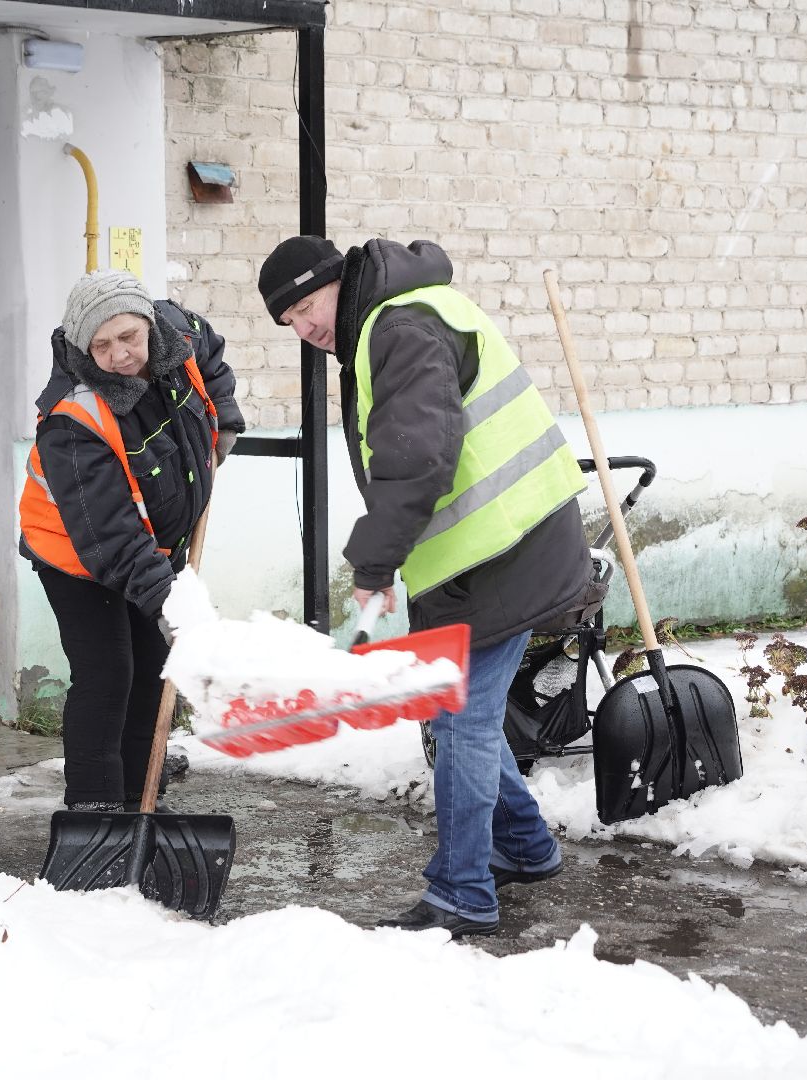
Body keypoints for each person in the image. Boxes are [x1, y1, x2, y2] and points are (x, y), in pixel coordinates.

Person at [257, 235, 603, 937]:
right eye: (287, 321)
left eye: (305, 306)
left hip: (511, 548)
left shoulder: (401, 326)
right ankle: (527, 848)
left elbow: (418, 458)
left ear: (338, 279)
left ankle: (461, 895)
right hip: (481, 553)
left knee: (464, 716)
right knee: (455, 714)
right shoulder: (389, 321)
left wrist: (375, 564)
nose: (303, 327)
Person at [20, 269, 244, 812]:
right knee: (108, 673)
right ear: (82, 346)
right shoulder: (72, 421)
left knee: (152, 670)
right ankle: (96, 813)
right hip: (77, 553)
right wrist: (173, 606)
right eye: (101, 345)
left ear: (149, 324)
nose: (120, 354)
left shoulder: (176, 335)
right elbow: (111, 536)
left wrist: (226, 422)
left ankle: (140, 801)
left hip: (153, 544)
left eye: (128, 337)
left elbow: (210, 352)